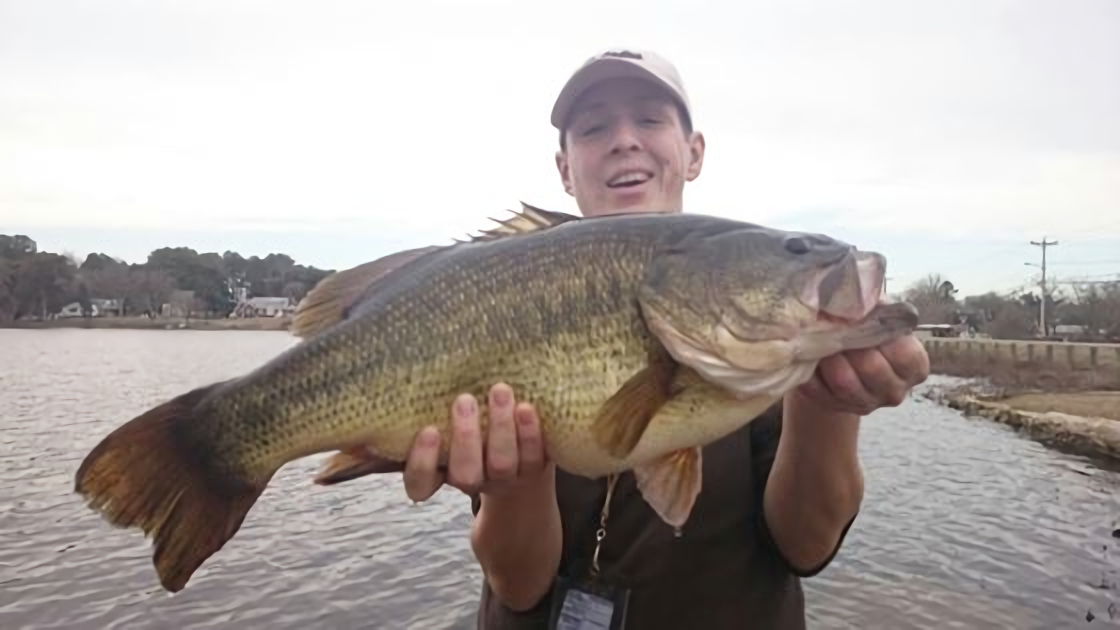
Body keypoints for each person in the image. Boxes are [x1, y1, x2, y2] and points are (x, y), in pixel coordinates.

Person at [400, 49, 930, 629]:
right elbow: (519, 586)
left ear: (693, 152)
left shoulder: (768, 360)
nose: (624, 139)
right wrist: (515, 488)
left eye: (650, 119)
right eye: (595, 127)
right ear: (565, 169)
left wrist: (828, 403)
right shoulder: (511, 300)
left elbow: (807, 544)